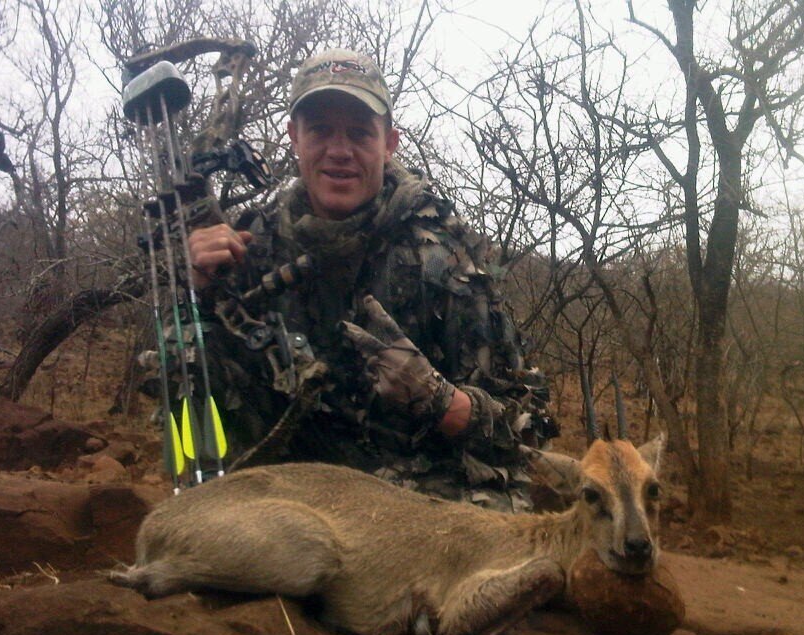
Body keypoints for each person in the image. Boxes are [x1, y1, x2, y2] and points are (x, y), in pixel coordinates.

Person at [176, 48, 556, 511]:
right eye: (320, 131)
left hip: (414, 508)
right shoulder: (250, 245)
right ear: (294, 137)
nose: (340, 151)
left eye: (359, 133)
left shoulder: (443, 258)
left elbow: (531, 429)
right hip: (289, 506)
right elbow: (194, 409)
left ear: (389, 143)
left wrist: (441, 400)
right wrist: (198, 291)